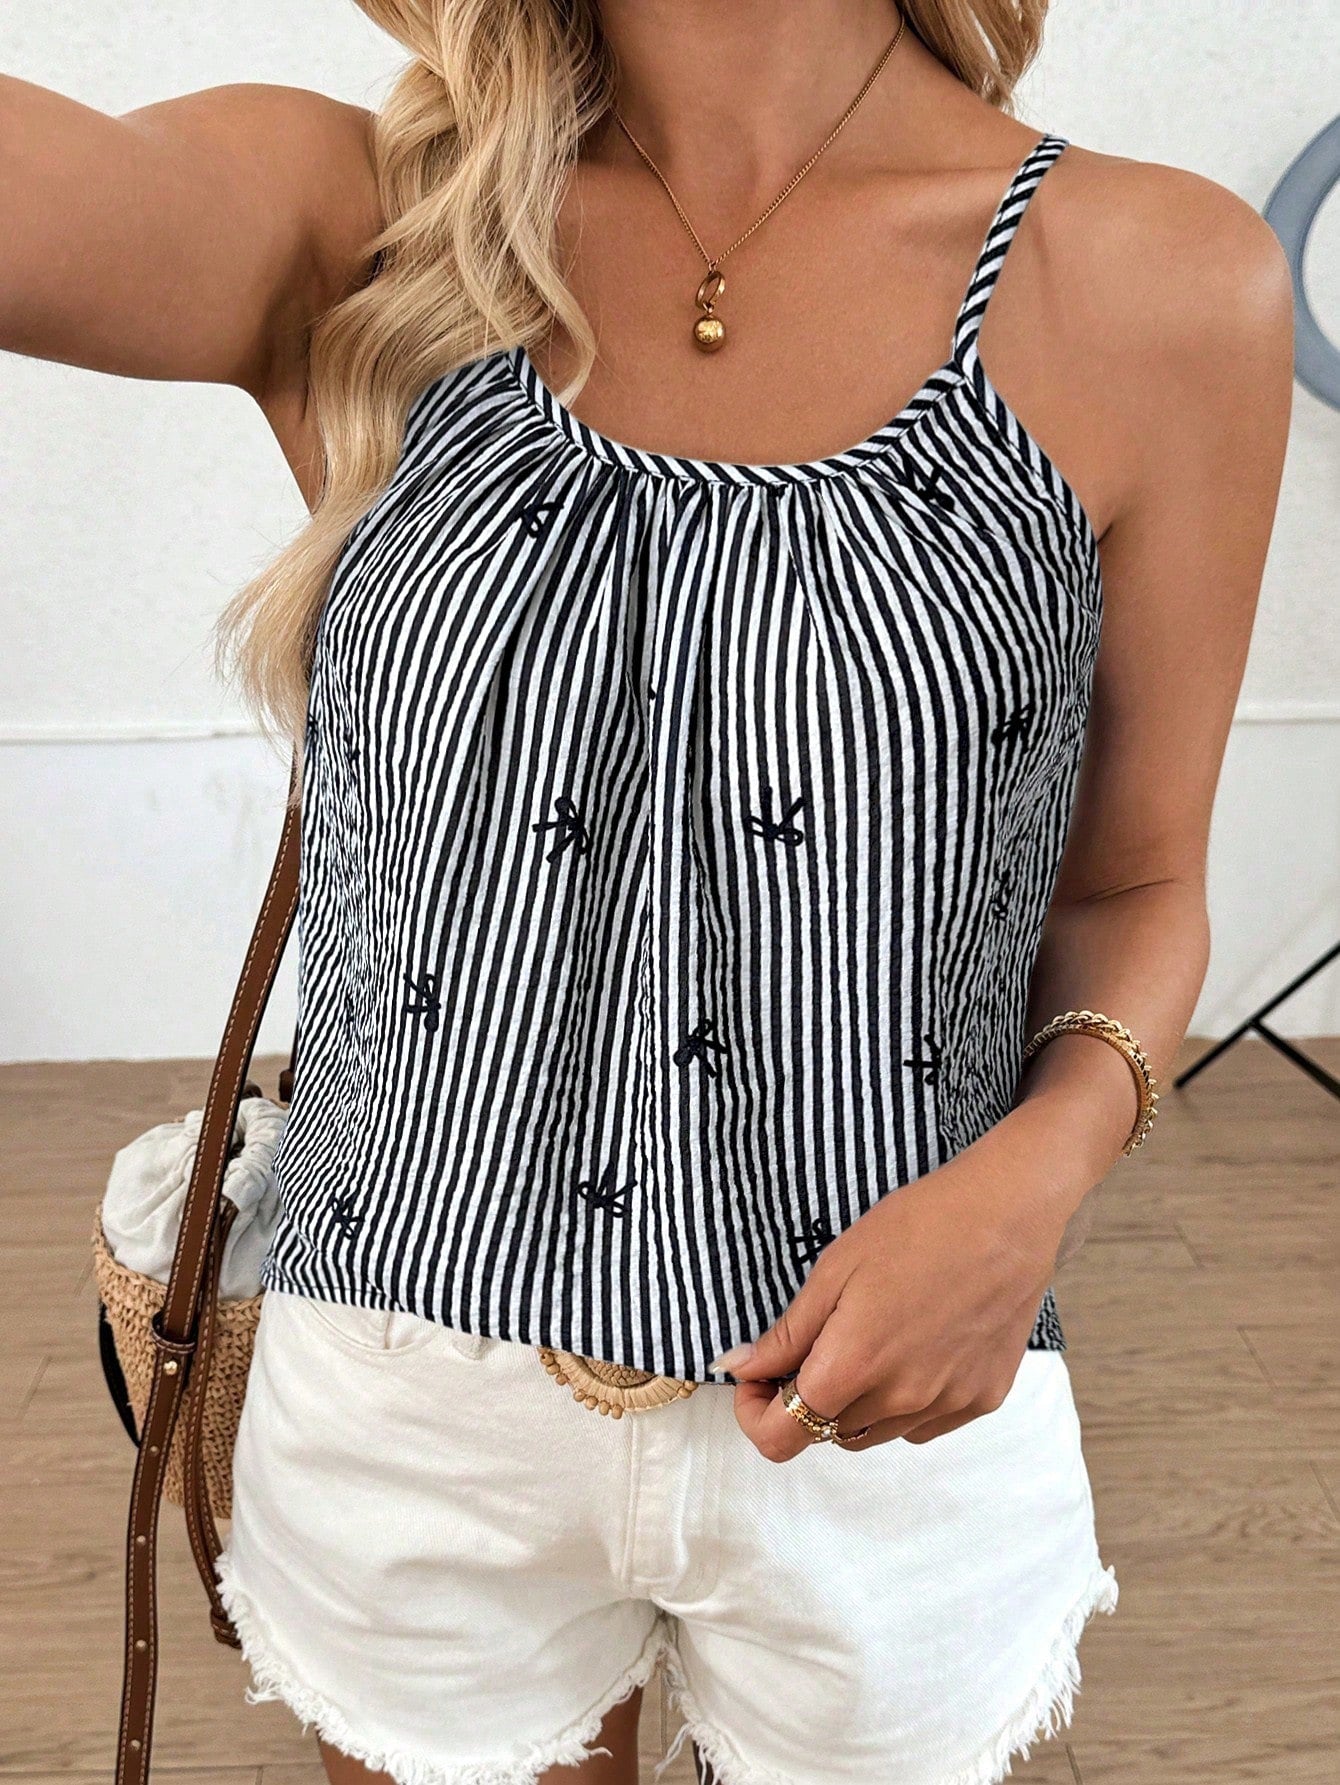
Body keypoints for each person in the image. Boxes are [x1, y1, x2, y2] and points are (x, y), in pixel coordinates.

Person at [4, 3, 1293, 1781]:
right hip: (411, 1389)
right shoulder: (376, 226)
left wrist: (1038, 1178)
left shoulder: (1155, 280)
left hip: (881, 1411)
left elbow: (1138, 885)